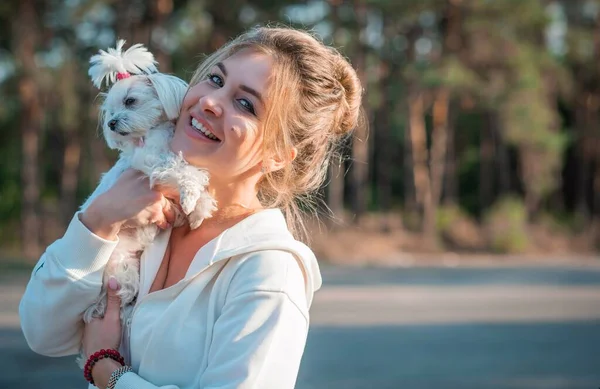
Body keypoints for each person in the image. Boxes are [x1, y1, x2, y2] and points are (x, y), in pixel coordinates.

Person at [19, 26, 363, 389]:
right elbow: (43, 333)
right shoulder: (141, 216)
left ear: (277, 155)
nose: (211, 102)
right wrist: (97, 221)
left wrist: (107, 372)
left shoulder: (267, 271)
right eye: (215, 79)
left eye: (245, 104)